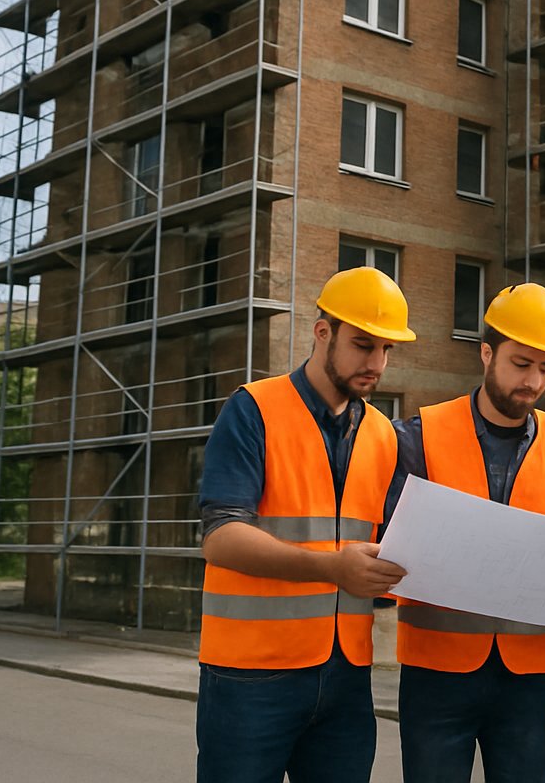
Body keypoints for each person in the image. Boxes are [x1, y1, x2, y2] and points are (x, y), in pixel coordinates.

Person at [195, 266, 415, 783]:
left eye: (386, 350)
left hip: (346, 676)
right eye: (363, 345)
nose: (377, 364)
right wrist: (333, 568)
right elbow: (221, 538)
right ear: (323, 333)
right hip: (250, 674)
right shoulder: (253, 409)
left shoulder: (384, 434)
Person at [389, 282, 545, 783]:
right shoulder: (419, 437)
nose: (533, 380)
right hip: (435, 676)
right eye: (520, 364)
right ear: (487, 353)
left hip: (529, 683)